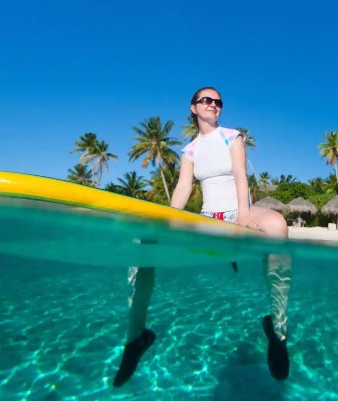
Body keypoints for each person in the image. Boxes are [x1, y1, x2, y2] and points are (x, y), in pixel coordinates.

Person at [113, 87, 292, 387]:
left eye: (218, 101)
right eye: (206, 100)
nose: (213, 105)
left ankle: (278, 331)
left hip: (239, 211)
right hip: (208, 218)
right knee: (143, 240)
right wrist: (168, 220)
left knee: (278, 227)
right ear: (193, 108)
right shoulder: (190, 150)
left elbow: (240, 175)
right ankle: (136, 338)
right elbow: (184, 187)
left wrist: (244, 216)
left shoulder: (232, 136)